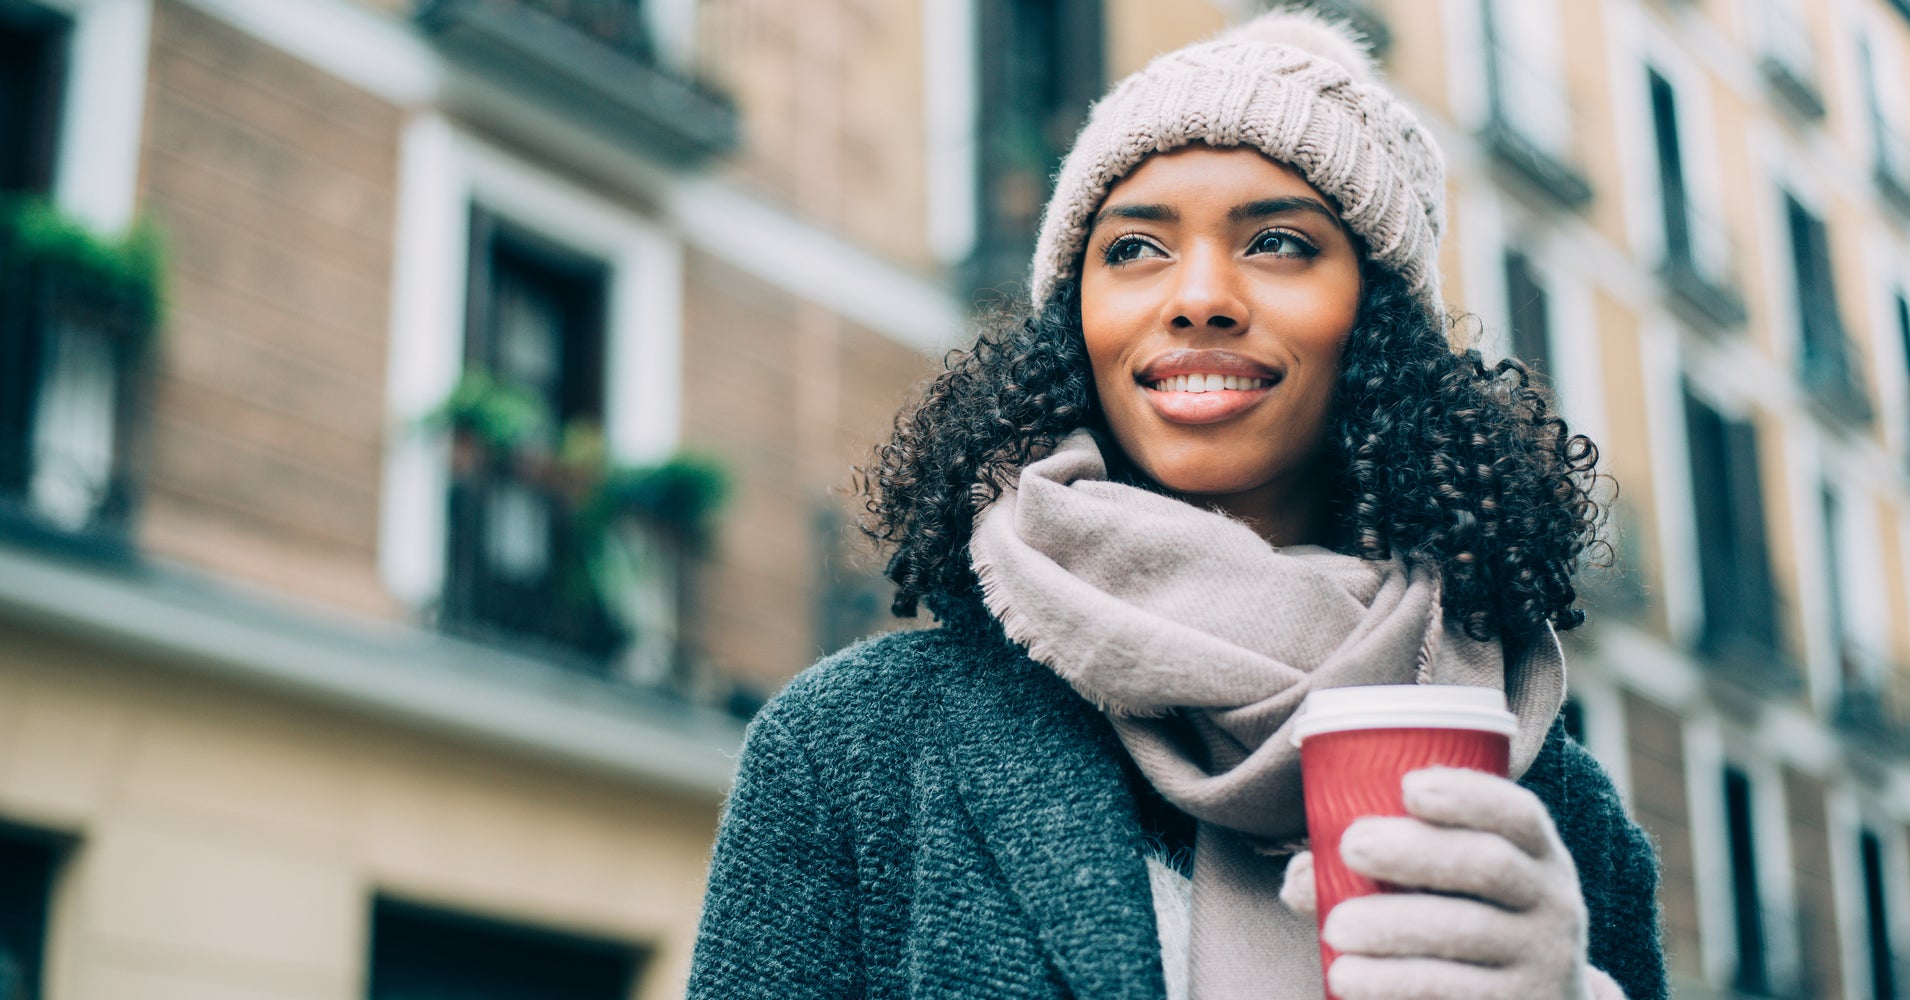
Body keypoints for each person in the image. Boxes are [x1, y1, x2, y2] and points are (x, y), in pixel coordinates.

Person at [688, 9, 1667, 1000]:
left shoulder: (1556, 809)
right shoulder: (849, 745)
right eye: (1132, 249)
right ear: (1076, 321)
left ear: (1374, 325)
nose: (1198, 294)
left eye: (1278, 241)